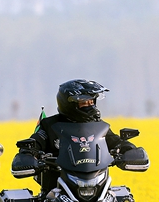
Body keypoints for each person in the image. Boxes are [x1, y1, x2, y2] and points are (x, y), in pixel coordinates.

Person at [12, 79, 141, 194]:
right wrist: (28, 153)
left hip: (95, 181)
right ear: (69, 104)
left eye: (92, 101)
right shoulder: (50, 125)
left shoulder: (98, 126)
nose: (90, 106)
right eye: (85, 102)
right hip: (57, 185)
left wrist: (128, 149)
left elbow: (114, 140)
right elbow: (37, 141)